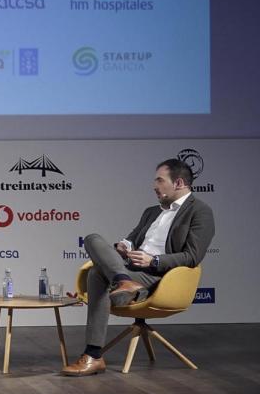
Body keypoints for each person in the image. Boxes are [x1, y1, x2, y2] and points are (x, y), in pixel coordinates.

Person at [62, 158, 215, 376]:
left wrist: (153, 261)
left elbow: (192, 256)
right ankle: (124, 283)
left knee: (97, 273)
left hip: (158, 276)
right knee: (92, 238)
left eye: (160, 180)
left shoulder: (200, 211)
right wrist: (124, 246)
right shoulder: (151, 211)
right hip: (130, 268)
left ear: (179, 183)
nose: (155, 186)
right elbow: (132, 239)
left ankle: (93, 354)